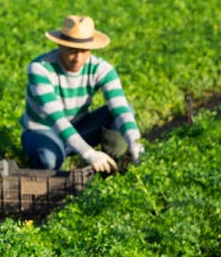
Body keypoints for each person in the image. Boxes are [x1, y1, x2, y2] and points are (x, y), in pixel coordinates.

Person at [21, 15, 145, 173]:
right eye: (72, 51)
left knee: (126, 109)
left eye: (84, 51)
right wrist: (88, 153)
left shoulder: (101, 69)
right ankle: (48, 161)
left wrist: (135, 143)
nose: (78, 58)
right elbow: (56, 119)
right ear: (60, 45)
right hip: (43, 129)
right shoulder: (40, 69)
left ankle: (110, 168)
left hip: (79, 126)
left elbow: (120, 109)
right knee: (49, 160)